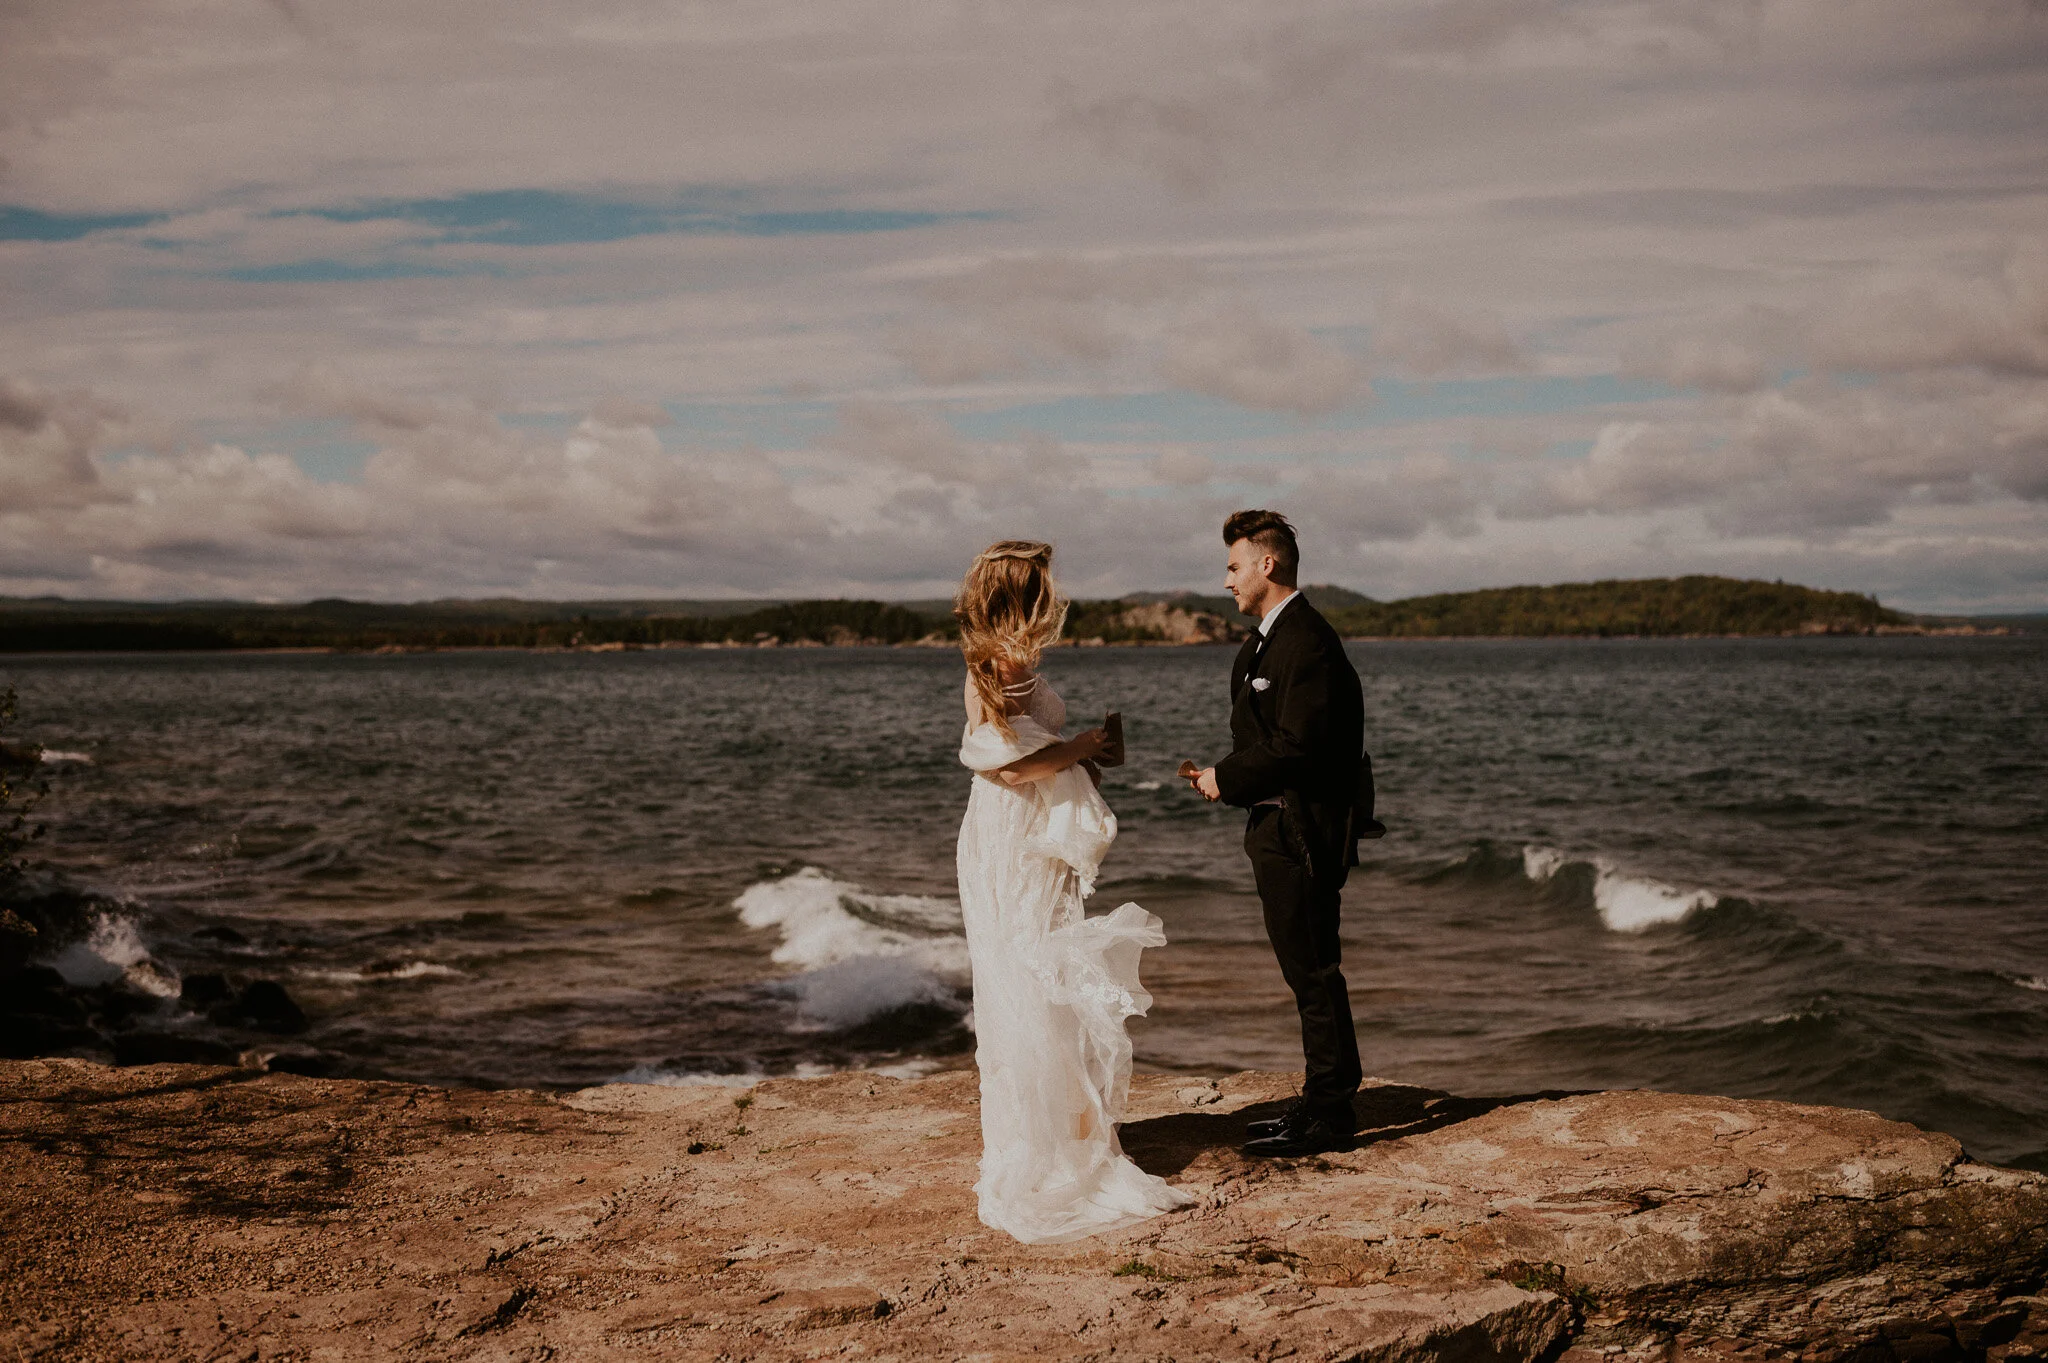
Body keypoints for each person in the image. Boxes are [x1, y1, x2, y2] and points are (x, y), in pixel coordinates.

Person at [953, 539, 1195, 1243]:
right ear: (1023, 596)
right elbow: (1013, 768)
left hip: (1030, 832)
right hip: (1012, 832)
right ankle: (1045, 1140)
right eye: (1045, 588)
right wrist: (1086, 744)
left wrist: (1083, 756)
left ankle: (1061, 1126)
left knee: (1041, 965)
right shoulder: (994, 666)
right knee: (1025, 967)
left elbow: (1030, 755)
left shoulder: (1014, 661)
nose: (1056, 598)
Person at [1187, 510, 1370, 1158]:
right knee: (1305, 971)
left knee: (1315, 971)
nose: (1226, 578)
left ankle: (1331, 1113)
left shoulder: (1308, 641)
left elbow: (1298, 744)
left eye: (1234, 565)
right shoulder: (1268, 640)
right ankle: (1325, 1099)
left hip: (1302, 833)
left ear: (1268, 564)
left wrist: (1223, 776)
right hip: (1274, 828)